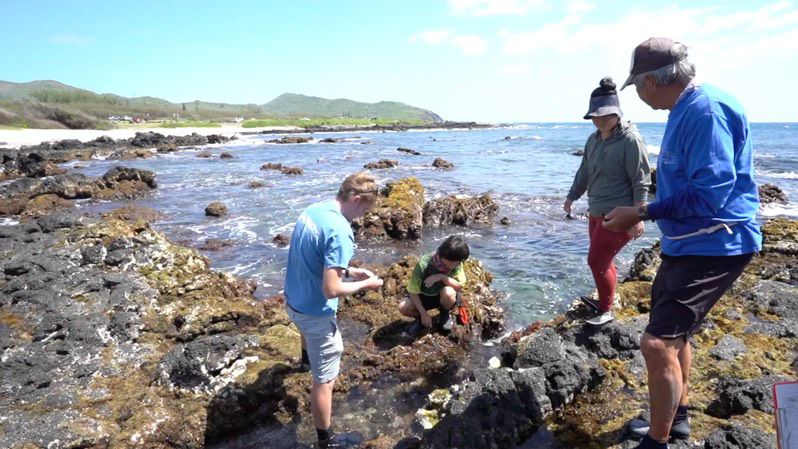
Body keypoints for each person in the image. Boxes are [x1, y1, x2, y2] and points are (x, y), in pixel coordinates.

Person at [604, 38, 762, 449]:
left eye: (637, 85)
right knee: (676, 337)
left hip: (715, 243)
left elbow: (711, 193)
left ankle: (657, 443)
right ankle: (677, 419)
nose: (637, 94)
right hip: (687, 243)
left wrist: (640, 213)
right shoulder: (684, 107)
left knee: (657, 345)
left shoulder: (706, 111)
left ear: (654, 80)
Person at [284, 172, 384, 449]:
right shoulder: (341, 230)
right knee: (324, 380)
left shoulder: (314, 210)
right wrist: (366, 283)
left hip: (293, 298)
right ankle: (326, 440)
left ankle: (305, 361)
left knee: (307, 339)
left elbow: (314, 255)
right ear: (355, 199)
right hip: (315, 312)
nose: (362, 216)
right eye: (364, 209)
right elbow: (331, 289)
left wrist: (349, 270)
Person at [565, 77, 651, 326]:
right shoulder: (593, 140)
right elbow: (584, 172)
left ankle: (605, 310)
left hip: (619, 214)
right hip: (596, 210)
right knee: (603, 260)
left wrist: (639, 216)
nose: (599, 120)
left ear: (617, 112)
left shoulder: (630, 140)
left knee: (596, 261)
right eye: (595, 116)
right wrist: (572, 196)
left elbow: (641, 180)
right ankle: (606, 301)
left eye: (605, 115)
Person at [399, 235, 469, 334]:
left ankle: (445, 313)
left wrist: (441, 276)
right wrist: (423, 313)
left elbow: (459, 286)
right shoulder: (423, 264)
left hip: (443, 297)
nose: (449, 267)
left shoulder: (457, 264)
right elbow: (413, 291)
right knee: (403, 307)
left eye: (454, 265)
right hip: (423, 297)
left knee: (449, 293)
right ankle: (420, 319)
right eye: (445, 265)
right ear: (440, 255)